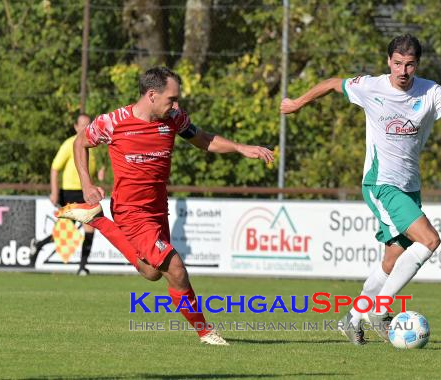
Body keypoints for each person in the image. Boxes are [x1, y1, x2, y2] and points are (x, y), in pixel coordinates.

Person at [281, 34, 441, 345]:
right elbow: (334, 83)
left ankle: (353, 318)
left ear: (417, 65)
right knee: (430, 240)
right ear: (389, 62)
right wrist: (296, 103)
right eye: (398, 64)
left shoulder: (430, 91)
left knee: (391, 261)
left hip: (410, 187)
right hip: (381, 184)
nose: (403, 71)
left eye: (409, 65)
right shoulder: (371, 86)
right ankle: (381, 310)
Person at [56, 66, 274, 345]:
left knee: (151, 272)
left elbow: (203, 139)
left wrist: (241, 148)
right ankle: (206, 332)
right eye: (171, 98)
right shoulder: (114, 122)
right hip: (131, 211)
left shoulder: (173, 118)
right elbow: (80, 142)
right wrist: (86, 184)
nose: (176, 104)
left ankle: (97, 219)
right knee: (176, 268)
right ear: (151, 95)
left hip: (158, 208)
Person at [30, 114, 104, 276]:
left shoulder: (93, 146)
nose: (85, 128)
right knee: (66, 232)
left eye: (88, 124)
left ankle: (82, 267)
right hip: (70, 191)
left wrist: (100, 172)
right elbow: (55, 168)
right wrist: (55, 192)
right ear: (75, 127)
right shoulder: (69, 144)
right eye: (82, 125)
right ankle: (40, 244)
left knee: (91, 228)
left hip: (87, 192)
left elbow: (96, 168)